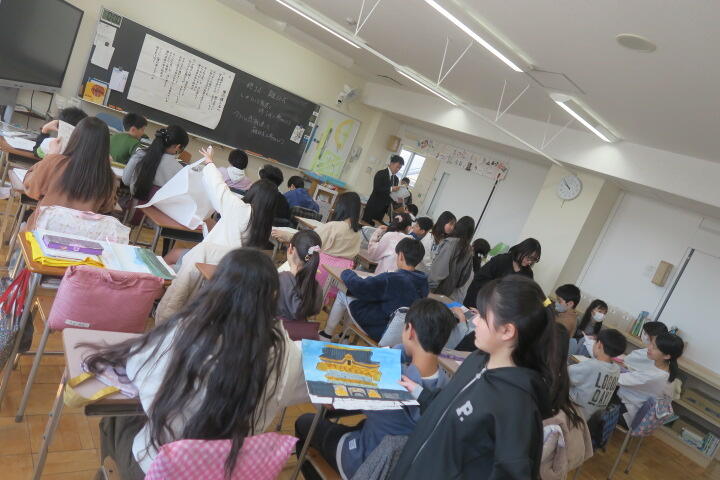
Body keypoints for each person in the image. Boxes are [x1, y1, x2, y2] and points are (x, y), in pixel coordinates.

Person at [84, 249, 306, 479]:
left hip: (163, 469)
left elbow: (139, 374)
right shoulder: (286, 353)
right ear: (274, 296)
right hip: (224, 470)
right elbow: (294, 390)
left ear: (217, 285)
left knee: (114, 421)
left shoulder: (186, 332)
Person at [392, 275, 574, 478]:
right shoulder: (478, 359)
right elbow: (453, 410)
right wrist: (420, 393)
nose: (475, 321)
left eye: (483, 317)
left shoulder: (516, 405)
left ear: (507, 331)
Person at [295, 298, 455, 479]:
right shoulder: (448, 385)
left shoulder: (390, 379)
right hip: (403, 466)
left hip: (366, 463)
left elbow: (330, 403)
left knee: (304, 422)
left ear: (410, 331)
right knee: (359, 425)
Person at [163, 146, 278, 268]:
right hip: (232, 266)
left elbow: (218, 186)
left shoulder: (240, 208)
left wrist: (209, 162)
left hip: (211, 260)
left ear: (253, 192)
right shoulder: (265, 224)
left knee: (174, 254)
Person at [320, 238, 428, 341]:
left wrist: (347, 272)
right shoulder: (423, 283)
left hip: (377, 328)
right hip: (399, 336)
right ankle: (345, 337)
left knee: (344, 293)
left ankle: (326, 334)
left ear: (401, 256)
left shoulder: (392, 278)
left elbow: (360, 287)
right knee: (356, 295)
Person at [23, 117, 117, 230]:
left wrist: (50, 156)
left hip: (41, 233)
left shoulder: (55, 162)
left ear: (75, 138)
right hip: (77, 237)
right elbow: (107, 208)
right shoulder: (108, 176)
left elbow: (30, 188)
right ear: (105, 146)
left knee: (24, 227)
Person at [616, 332, 684, 426]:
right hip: (633, 405)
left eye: (654, 347)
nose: (649, 347)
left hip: (627, 411)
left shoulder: (655, 376)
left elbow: (617, 379)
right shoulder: (666, 368)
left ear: (667, 356)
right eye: (651, 344)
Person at [463, 237, 541, 308]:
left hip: (499, 310)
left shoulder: (528, 274)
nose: (530, 262)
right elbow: (479, 278)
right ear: (521, 250)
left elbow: (523, 297)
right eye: (529, 257)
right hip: (477, 302)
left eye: (534, 260)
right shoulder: (501, 260)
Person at [569, 328, 627, 420]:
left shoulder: (592, 366)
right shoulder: (616, 369)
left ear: (599, 344)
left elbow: (564, 376)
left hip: (573, 413)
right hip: (592, 418)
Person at [123, 125, 188, 200]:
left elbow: (126, 180)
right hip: (158, 206)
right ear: (177, 147)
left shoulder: (139, 155)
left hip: (134, 203)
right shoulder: (179, 170)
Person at [277, 230, 323, 322]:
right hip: (300, 330)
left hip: (274, 328)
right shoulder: (317, 288)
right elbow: (313, 313)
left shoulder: (279, 279)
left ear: (291, 250)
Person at [428, 215, 474, 301]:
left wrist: (429, 286)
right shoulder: (469, 250)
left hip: (435, 289)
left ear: (458, 226)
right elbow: (464, 277)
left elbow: (439, 269)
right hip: (448, 292)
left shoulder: (450, 243)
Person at [363, 154, 404, 224]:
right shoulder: (381, 173)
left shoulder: (396, 179)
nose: (398, 170)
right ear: (391, 163)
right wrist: (391, 189)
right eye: (397, 167)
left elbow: (391, 194)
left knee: (376, 228)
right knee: (365, 226)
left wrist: (397, 199)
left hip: (382, 210)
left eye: (399, 168)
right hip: (373, 207)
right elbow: (377, 189)